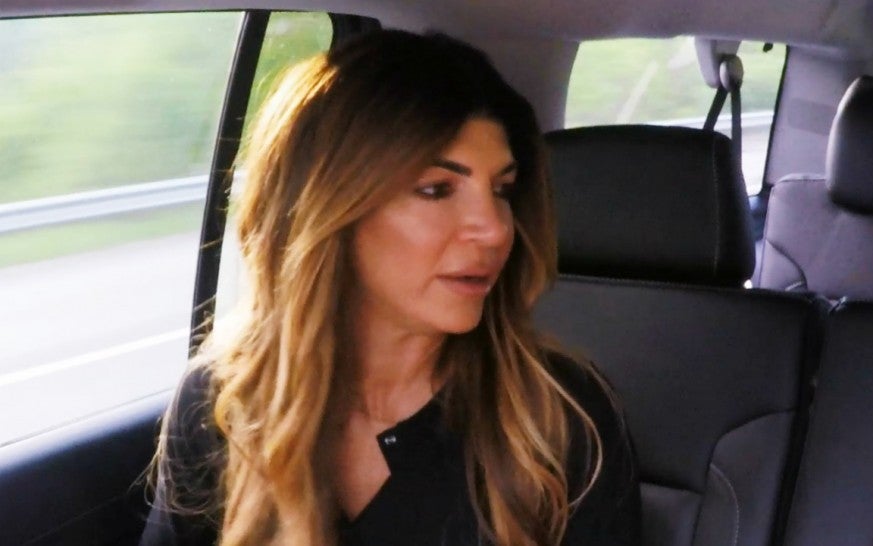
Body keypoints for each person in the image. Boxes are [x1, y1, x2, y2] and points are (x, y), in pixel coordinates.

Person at [140, 29, 640, 546]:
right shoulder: (224, 403)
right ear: (331, 210)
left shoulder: (560, 417)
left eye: (502, 191)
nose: (494, 229)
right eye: (436, 190)